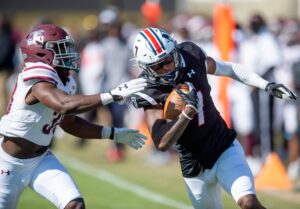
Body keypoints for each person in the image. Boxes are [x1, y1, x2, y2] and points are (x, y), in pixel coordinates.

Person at [131, 27, 297, 209]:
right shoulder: (147, 88)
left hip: (223, 146)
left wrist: (265, 84)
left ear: (174, 51)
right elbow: (161, 142)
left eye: (169, 60)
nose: (167, 67)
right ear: (146, 67)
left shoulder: (190, 55)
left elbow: (228, 68)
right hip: (193, 163)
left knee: (249, 203)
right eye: (158, 65)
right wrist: (186, 114)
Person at [0, 24, 147, 209]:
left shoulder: (66, 80)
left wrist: (114, 134)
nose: (68, 52)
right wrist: (112, 95)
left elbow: (71, 124)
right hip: (7, 164)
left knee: (74, 205)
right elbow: (63, 105)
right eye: (60, 47)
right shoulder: (37, 74)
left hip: (40, 159)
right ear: (41, 53)